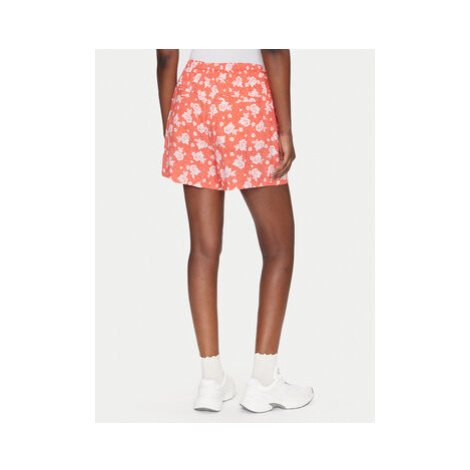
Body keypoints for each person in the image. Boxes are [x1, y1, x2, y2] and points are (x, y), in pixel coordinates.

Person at [157, 49, 313, 412]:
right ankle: (263, 381)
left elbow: (165, 55)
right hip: (245, 97)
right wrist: (285, 129)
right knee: (279, 247)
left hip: (193, 95)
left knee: (203, 247)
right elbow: (273, 48)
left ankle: (211, 381)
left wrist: (172, 124)